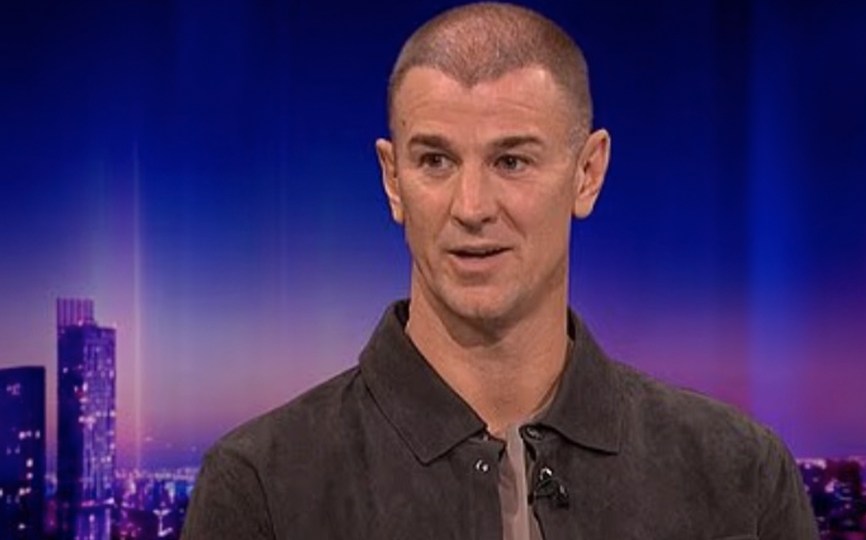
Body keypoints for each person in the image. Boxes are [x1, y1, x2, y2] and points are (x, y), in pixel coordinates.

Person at [182, 2, 818, 538]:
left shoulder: (739, 476)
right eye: (435, 161)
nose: (472, 208)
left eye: (511, 162)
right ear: (392, 179)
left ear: (587, 173)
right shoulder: (261, 486)